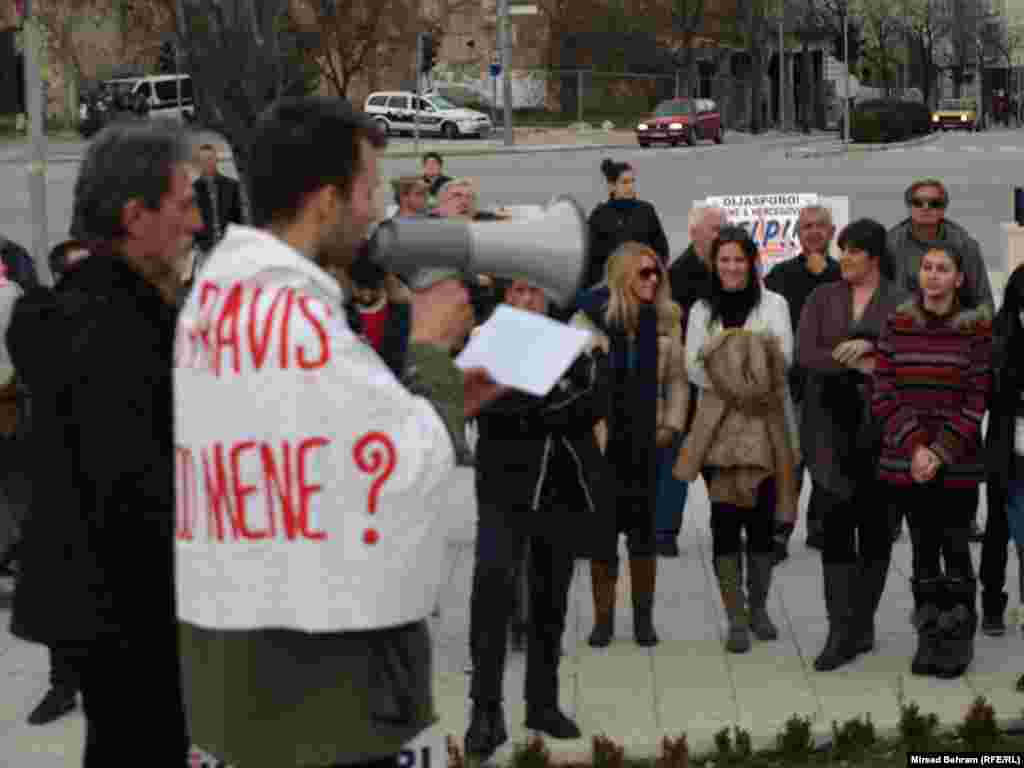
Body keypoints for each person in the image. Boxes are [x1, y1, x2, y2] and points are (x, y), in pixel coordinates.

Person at [173, 96, 505, 768]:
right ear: (326, 201)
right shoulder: (295, 320)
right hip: (326, 697)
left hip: (243, 676)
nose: (378, 209)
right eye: (370, 189)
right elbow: (394, 473)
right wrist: (434, 352)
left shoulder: (222, 298)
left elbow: (315, 449)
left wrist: (433, 393)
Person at [8, 121, 202, 767]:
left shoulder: (77, 308)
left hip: (98, 616)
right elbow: (140, 496)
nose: (197, 223)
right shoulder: (120, 330)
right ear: (134, 216)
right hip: (134, 616)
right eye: (184, 204)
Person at [464, 277, 611, 759]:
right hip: (503, 491)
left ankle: (541, 703)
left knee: (551, 602)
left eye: (534, 293)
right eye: (518, 293)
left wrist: (540, 400)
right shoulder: (485, 339)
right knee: (492, 597)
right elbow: (501, 409)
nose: (527, 301)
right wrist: (554, 397)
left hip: (560, 487)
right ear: (506, 297)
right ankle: (485, 713)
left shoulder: (568, 341)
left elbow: (595, 399)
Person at [674, 226, 799, 654]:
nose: (731, 267)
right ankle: (735, 616)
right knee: (725, 520)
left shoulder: (775, 304)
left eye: (739, 260)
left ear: (752, 264)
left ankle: (759, 606)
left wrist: (727, 356)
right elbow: (693, 365)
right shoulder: (701, 310)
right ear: (715, 264)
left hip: (765, 422)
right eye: (724, 260)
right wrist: (740, 366)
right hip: (718, 425)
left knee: (763, 521)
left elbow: (782, 357)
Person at [872, 242, 992, 679]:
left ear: (959, 279)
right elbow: (883, 388)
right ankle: (929, 638)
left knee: (956, 549)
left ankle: (957, 640)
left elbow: (977, 398)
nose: (934, 275)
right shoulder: (897, 321)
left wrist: (939, 451)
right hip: (909, 460)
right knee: (923, 551)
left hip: (956, 461)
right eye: (927, 267)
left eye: (943, 269)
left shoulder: (976, 328)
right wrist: (915, 448)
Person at [796, 219, 906, 671]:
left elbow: (907, 357)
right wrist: (855, 360)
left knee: (878, 534)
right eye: (843, 250)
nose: (845, 258)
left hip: (883, 432)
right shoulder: (823, 297)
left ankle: (862, 622)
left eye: (853, 251)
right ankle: (839, 631)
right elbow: (806, 353)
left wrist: (873, 356)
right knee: (836, 534)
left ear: (874, 257)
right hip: (830, 431)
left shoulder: (901, 301)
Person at [571, 242, 687, 648]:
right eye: (643, 273)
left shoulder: (668, 319)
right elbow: (571, 375)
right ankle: (603, 621)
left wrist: (671, 425)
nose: (653, 279)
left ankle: (642, 620)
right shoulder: (590, 320)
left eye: (656, 272)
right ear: (622, 275)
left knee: (643, 536)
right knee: (602, 539)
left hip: (646, 442)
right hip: (603, 443)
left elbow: (676, 380)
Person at [765, 204, 842, 556]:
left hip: (832, 385)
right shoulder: (780, 275)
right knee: (789, 461)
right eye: (806, 226)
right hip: (791, 385)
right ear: (797, 233)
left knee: (827, 459)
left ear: (832, 231)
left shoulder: (843, 275)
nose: (813, 232)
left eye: (820, 226)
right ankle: (780, 530)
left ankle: (821, 528)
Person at [981, 265, 1024, 639]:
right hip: (1006, 449)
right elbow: (989, 395)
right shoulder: (1000, 336)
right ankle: (992, 605)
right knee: (998, 530)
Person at [583, 159, 669, 289]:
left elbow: (661, 250)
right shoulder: (600, 215)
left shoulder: (646, 211)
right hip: (611, 288)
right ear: (612, 186)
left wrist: (652, 276)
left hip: (644, 284)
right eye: (624, 182)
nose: (630, 186)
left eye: (632, 181)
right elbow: (590, 259)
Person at [192, 143, 244, 258]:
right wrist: (200, 246)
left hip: (230, 248)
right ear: (199, 163)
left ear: (216, 160)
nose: (207, 163)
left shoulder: (232, 186)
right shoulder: (192, 191)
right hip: (205, 252)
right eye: (203, 160)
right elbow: (192, 223)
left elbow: (239, 218)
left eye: (210, 158)